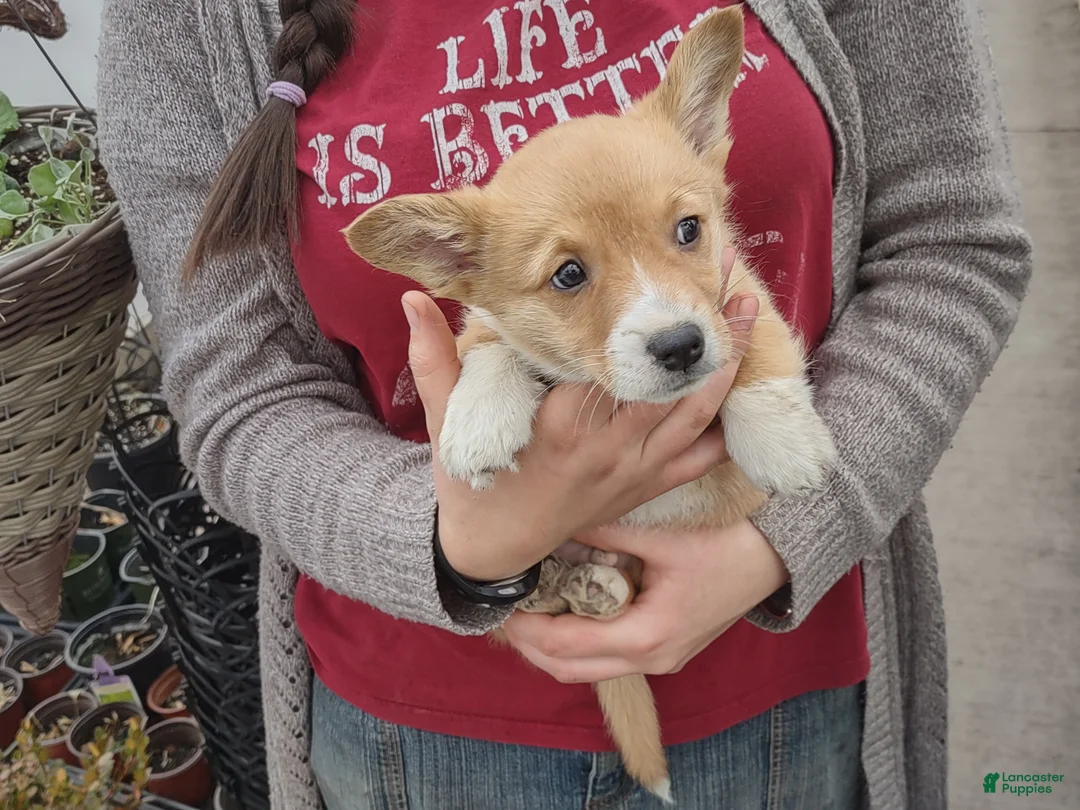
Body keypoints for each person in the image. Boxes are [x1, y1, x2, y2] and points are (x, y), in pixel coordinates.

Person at [95, 0, 1032, 808]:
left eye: (685, 231)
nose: (664, 313)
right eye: (571, 274)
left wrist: (787, 534)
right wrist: (456, 541)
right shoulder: (191, 21)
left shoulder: (687, 142)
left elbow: (952, 241)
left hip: (786, 687)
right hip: (421, 740)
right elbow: (238, 395)